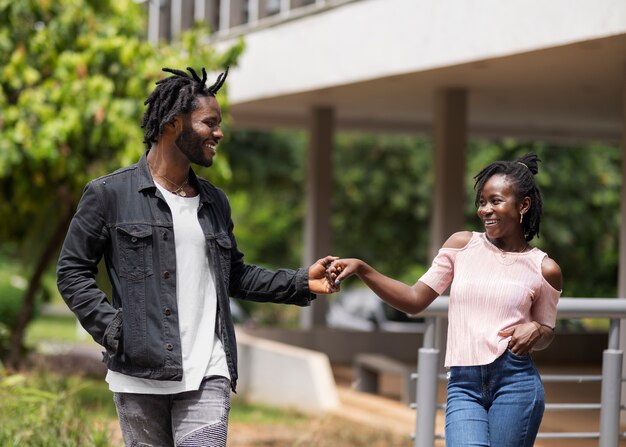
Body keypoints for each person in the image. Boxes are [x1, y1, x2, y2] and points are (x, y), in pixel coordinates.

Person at [56, 66, 337, 447]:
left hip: (209, 368)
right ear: (174, 124)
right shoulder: (110, 195)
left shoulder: (214, 201)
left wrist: (301, 281)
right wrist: (115, 330)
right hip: (139, 373)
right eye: (210, 123)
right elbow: (72, 272)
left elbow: (233, 274)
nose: (219, 133)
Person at [328, 153, 562, 447]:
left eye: (495, 201)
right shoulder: (461, 246)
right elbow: (415, 300)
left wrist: (538, 330)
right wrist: (363, 269)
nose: (485, 210)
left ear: (523, 205)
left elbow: (547, 331)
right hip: (464, 384)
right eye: (481, 202)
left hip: (516, 382)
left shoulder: (544, 268)